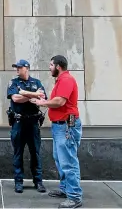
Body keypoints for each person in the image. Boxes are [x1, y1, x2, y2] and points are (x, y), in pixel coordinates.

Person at [31, 55, 83, 209]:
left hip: (67, 124)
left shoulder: (66, 80)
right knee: (60, 159)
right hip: (61, 125)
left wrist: (42, 102)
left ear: (58, 66)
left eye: (51, 64)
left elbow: (60, 101)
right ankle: (66, 189)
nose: (49, 67)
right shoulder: (60, 80)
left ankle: (74, 197)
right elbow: (58, 102)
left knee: (68, 160)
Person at [6, 59, 47, 194]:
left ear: (27, 68)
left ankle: (38, 181)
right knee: (18, 153)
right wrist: (33, 95)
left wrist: (24, 92)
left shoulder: (37, 82)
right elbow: (15, 98)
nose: (17, 69)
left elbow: (42, 99)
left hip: (33, 123)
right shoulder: (13, 82)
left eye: (19, 67)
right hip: (19, 123)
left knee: (35, 152)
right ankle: (19, 182)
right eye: (16, 67)